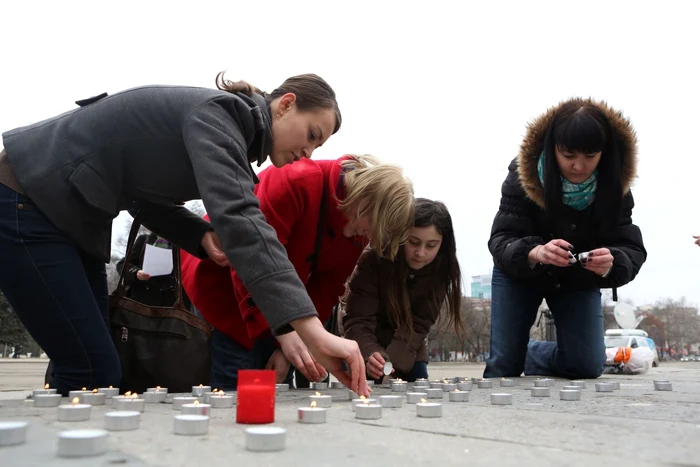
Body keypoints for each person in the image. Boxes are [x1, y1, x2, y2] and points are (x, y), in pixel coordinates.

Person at [0, 72, 370, 396]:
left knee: (96, 370)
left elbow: (136, 195)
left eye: (318, 147)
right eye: (311, 134)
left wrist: (201, 234)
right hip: (29, 201)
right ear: (286, 105)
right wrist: (314, 333)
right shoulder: (220, 116)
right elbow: (244, 222)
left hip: (65, 218)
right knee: (91, 372)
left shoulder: (226, 127)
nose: (307, 153)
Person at [181, 154, 415, 390]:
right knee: (238, 381)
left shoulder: (360, 227)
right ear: (368, 201)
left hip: (281, 302)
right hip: (225, 287)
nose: (371, 237)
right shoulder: (297, 180)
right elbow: (249, 256)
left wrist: (291, 344)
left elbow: (325, 290)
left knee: (278, 383)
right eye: (376, 226)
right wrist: (286, 333)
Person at [485, 98, 647, 380]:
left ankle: (530, 353)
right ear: (553, 147)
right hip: (520, 272)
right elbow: (500, 239)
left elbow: (631, 246)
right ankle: (512, 354)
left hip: (575, 279)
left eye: (590, 156)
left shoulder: (615, 185)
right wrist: (535, 252)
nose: (578, 166)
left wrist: (612, 262)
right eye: (568, 155)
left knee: (586, 366)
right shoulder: (522, 175)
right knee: (503, 367)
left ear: (604, 153)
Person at [340, 198, 464, 382]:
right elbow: (357, 318)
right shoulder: (374, 258)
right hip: (362, 341)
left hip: (409, 346)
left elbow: (419, 323)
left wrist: (393, 366)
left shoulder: (441, 269)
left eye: (431, 245)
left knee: (418, 389)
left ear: (442, 244)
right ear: (401, 235)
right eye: (413, 242)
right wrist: (370, 354)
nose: (421, 253)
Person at [116, 231, 189, 308]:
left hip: (171, 306)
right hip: (140, 304)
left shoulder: (182, 246)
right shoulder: (144, 240)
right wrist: (136, 273)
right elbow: (122, 264)